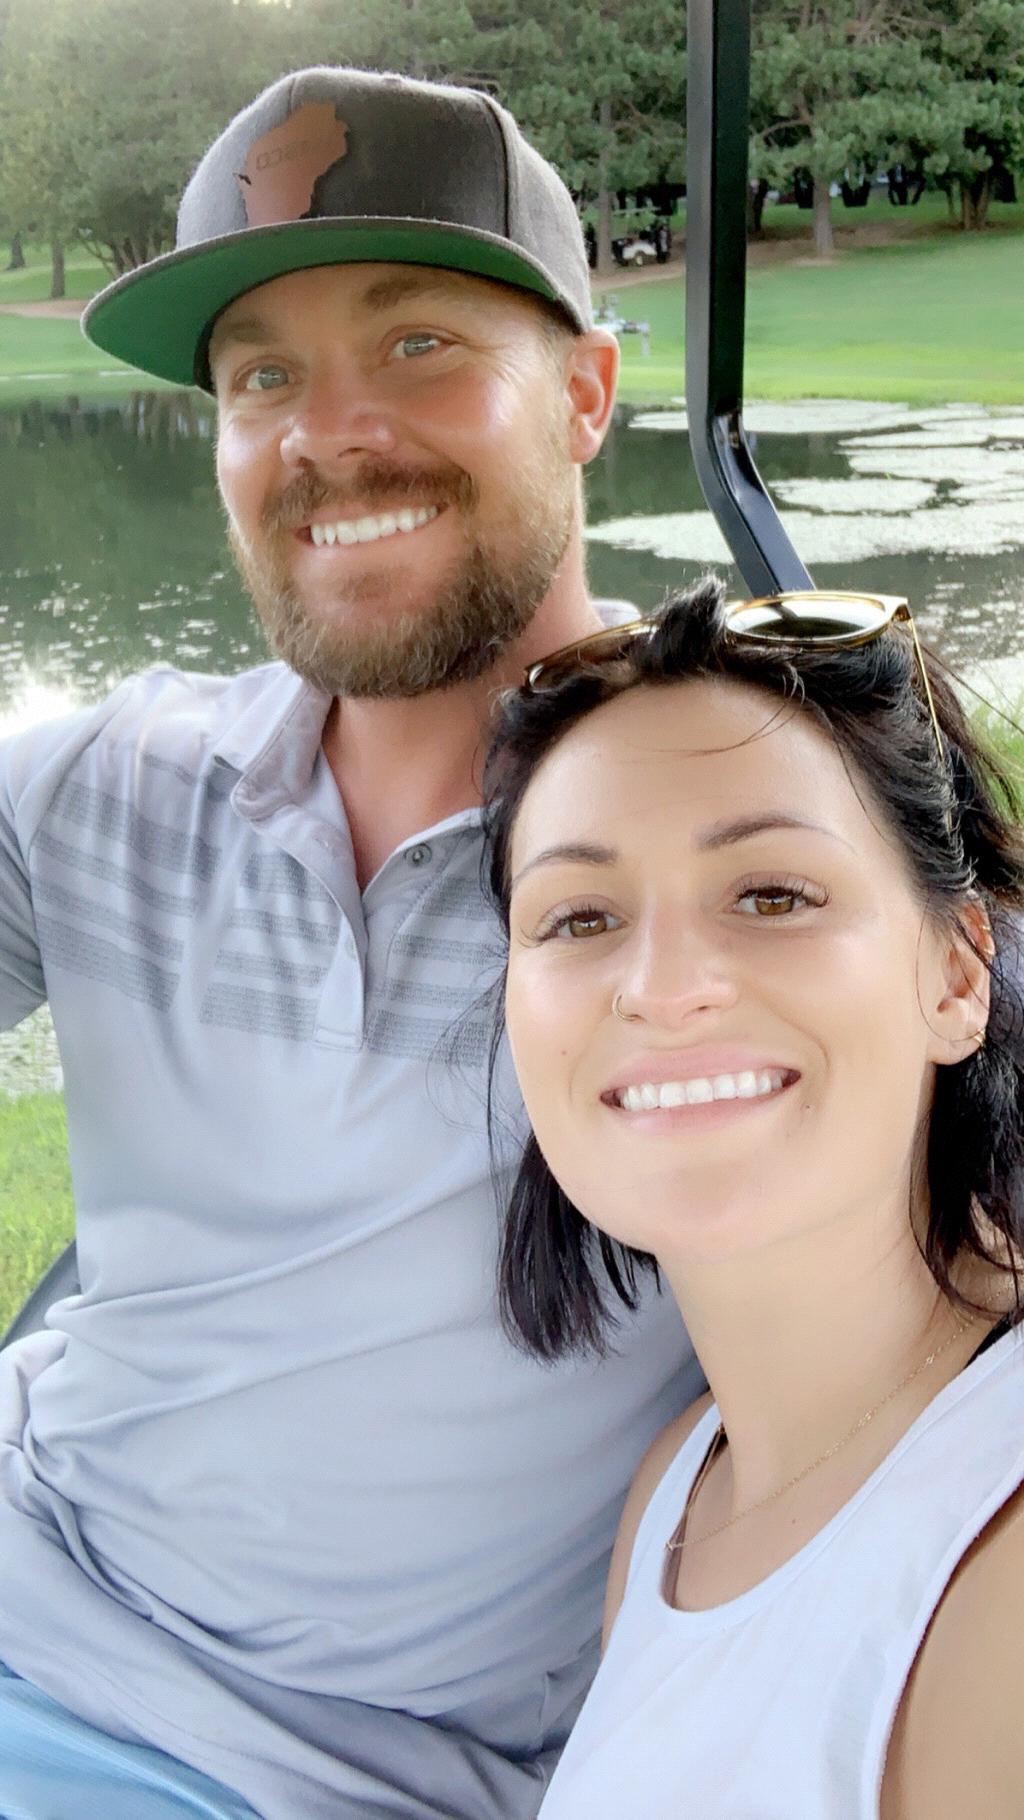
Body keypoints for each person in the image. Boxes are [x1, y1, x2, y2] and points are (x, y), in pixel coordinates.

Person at [0, 66, 700, 1820]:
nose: (329, 434)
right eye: (261, 378)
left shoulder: (744, 857)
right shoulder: (103, 786)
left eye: (416, 345)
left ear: (585, 393)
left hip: (285, 1770)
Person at [482, 576, 1024, 1818]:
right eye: (580, 915)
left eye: (771, 894)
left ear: (955, 975)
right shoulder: (676, 1494)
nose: (663, 984)